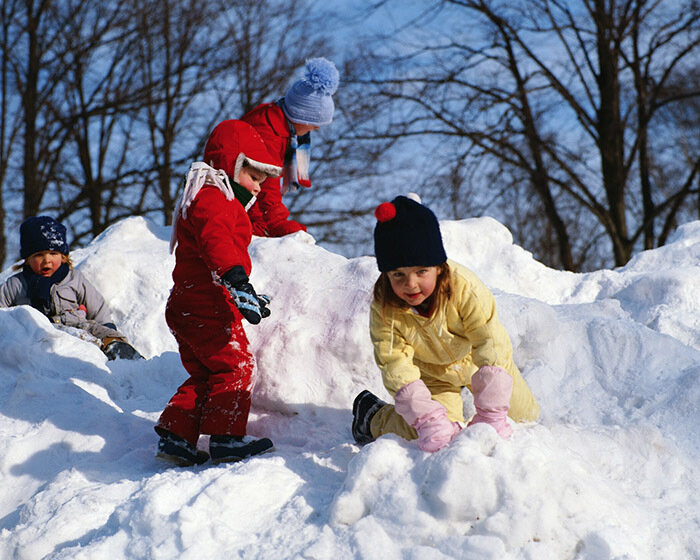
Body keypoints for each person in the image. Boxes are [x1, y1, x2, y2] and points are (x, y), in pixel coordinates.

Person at [352, 195, 540, 452]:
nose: (411, 284)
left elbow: (491, 344)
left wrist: (492, 413)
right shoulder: (386, 308)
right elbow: (395, 365)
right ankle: (371, 416)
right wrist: (427, 418)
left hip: (477, 362)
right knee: (433, 434)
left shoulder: (465, 289)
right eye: (398, 274)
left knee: (523, 419)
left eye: (421, 272)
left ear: (438, 267)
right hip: (433, 374)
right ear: (386, 274)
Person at [155, 120, 281, 467]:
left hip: (188, 303)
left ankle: (176, 435)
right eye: (253, 176)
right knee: (236, 365)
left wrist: (243, 289)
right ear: (231, 164)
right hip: (206, 305)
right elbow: (217, 242)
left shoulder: (208, 196)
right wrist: (237, 281)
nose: (257, 188)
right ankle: (226, 439)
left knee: (205, 373)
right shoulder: (215, 199)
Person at [0, 216, 142, 360]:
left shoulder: (74, 278)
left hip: (78, 326)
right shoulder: (17, 284)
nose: (47, 260)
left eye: (53, 254)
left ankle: (122, 353)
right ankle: (98, 351)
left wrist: (107, 326)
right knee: (83, 341)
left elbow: (96, 305)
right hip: (42, 333)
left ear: (63, 257)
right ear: (27, 259)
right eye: (39, 255)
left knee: (101, 333)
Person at [234, 57, 339, 237]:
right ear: (300, 118)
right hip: (239, 206)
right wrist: (274, 224)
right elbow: (264, 185)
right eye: (314, 123)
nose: (316, 128)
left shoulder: (279, 123)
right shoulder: (268, 134)